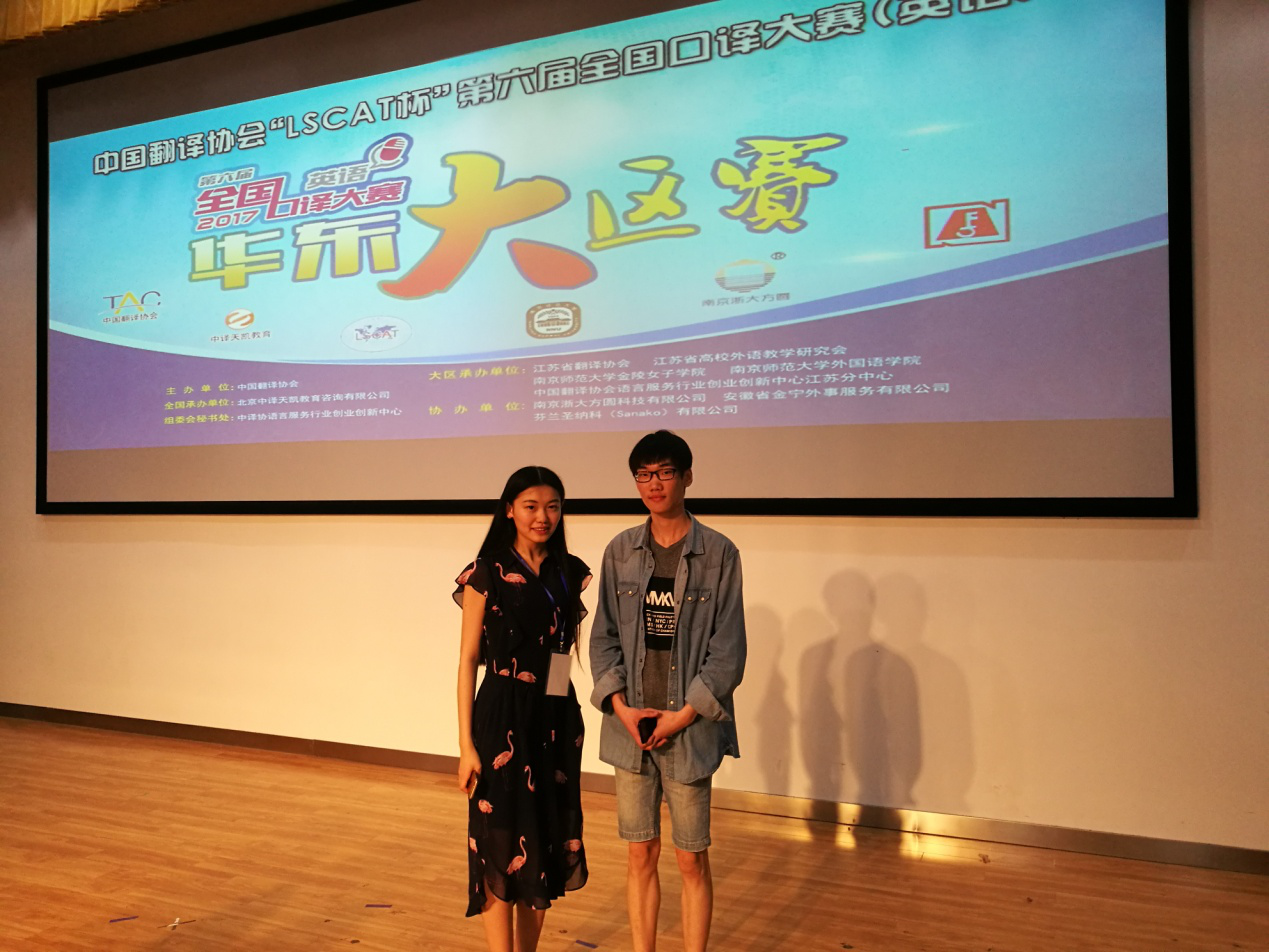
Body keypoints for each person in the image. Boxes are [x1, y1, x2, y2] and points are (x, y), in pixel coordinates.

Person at [589, 431, 746, 952]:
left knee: (691, 857)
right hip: (631, 729)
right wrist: (621, 708)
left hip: (688, 731)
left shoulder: (719, 554)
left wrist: (680, 717)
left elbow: (728, 653)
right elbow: (603, 639)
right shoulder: (620, 551)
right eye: (643, 475)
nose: (653, 484)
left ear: (687, 477)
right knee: (640, 853)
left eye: (664, 472)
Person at [455, 466, 591, 952]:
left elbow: (560, 653)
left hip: (553, 717)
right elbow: (469, 660)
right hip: (499, 713)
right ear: (509, 510)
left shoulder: (568, 571)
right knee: (498, 837)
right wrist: (466, 745)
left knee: (544, 841)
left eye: (553, 506)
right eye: (531, 506)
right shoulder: (487, 571)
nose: (543, 516)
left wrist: (555, 715)